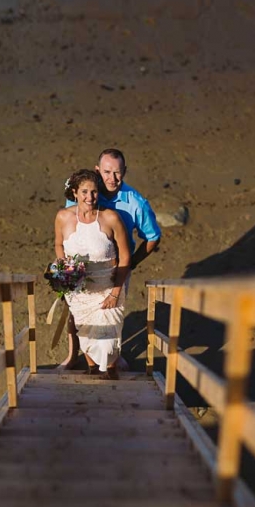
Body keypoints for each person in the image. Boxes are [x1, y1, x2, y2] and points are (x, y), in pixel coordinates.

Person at [60, 149, 161, 369]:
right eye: (107, 172)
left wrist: (131, 263)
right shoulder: (86, 191)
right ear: (98, 170)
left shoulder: (136, 203)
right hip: (82, 265)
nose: (112, 178)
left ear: (125, 171)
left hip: (116, 268)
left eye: (117, 172)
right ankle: (72, 355)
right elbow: (69, 226)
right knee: (75, 312)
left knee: (111, 314)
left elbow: (153, 237)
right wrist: (66, 269)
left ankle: (112, 356)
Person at [54, 169, 131, 379]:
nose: (90, 197)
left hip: (108, 288)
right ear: (75, 193)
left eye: (94, 192)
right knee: (86, 336)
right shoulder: (62, 217)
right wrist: (64, 269)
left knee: (107, 342)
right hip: (79, 292)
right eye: (84, 192)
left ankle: (112, 372)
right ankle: (92, 370)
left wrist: (115, 292)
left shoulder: (111, 218)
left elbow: (125, 257)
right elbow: (58, 244)